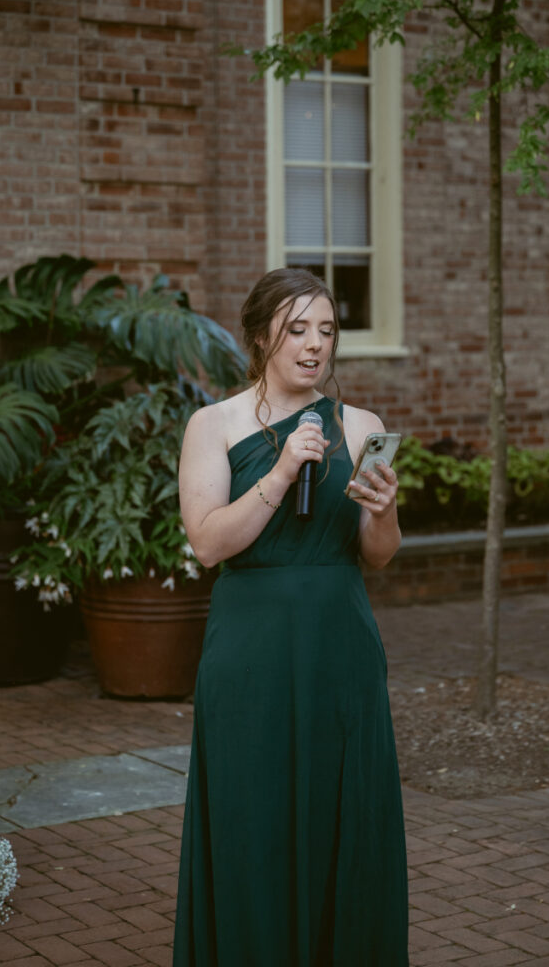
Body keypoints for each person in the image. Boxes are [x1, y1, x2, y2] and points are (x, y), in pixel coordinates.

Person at [173, 268, 409, 966]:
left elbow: (378, 557)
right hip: (251, 650)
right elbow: (209, 543)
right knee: (255, 816)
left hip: (341, 646)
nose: (315, 346)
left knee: (343, 818)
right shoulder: (213, 424)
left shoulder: (360, 426)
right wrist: (278, 473)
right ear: (259, 338)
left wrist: (383, 509)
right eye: (296, 330)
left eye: (327, 331)